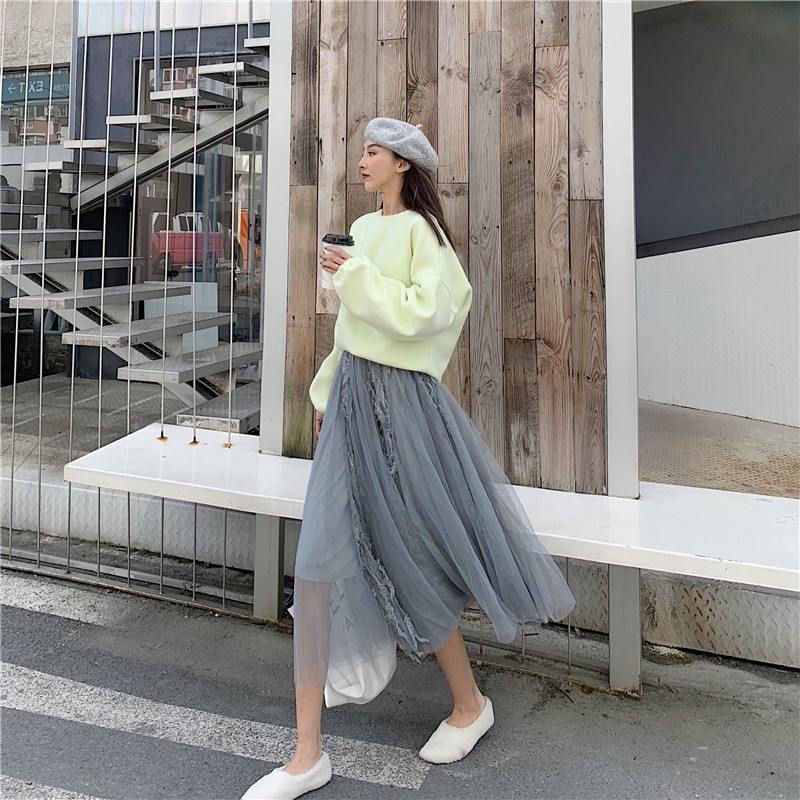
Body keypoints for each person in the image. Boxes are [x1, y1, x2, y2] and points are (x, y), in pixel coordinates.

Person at [241, 118, 576, 800]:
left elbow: (436, 311)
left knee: (412, 553)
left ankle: (470, 704)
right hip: (351, 403)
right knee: (316, 565)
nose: (361, 161)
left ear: (402, 163)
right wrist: (325, 392)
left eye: (373, 152)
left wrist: (357, 275)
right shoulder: (364, 230)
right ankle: (306, 754)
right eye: (362, 150)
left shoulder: (423, 233)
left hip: (403, 409)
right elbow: (353, 329)